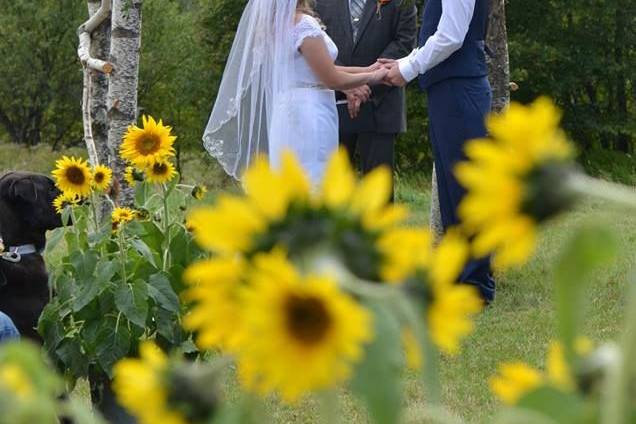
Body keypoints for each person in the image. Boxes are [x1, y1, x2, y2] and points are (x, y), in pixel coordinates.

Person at [382, 0, 496, 303]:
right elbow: (437, 34)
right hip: (449, 88)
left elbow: (450, 36)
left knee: (465, 190)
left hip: (460, 89)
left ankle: (476, 285)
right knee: (450, 189)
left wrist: (408, 69)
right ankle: (459, 277)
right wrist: (403, 63)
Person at [203, 0, 388, 186]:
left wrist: (368, 70)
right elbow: (331, 79)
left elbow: (319, 70)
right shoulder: (303, 25)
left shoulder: (274, 27)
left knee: (292, 178)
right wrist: (373, 77)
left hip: (286, 111)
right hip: (311, 113)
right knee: (315, 177)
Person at [315, 0, 416, 197]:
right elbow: (317, 46)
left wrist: (365, 82)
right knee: (333, 190)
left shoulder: (401, 2)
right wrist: (346, 84)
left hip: (382, 102)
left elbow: (404, 42)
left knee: (379, 192)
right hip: (335, 102)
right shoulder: (321, 3)